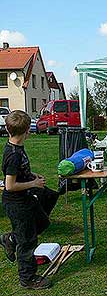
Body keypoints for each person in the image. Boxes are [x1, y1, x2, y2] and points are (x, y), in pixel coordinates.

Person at [0, 110, 59, 290]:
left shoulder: (17, 147)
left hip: (25, 197)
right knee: (27, 241)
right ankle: (28, 278)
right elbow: (9, 185)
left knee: (42, 222)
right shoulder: (13, 154)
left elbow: (20, 172)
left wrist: (31, 175)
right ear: (27, 131)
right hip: (16, 202)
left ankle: (10, 238)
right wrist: (33, 183)